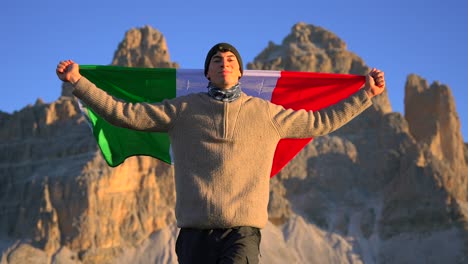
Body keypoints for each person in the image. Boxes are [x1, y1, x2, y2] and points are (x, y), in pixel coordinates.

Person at [56, 42, 385, 264]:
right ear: (208, 73)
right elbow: (124, 113)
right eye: (217, 60)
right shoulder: (182, 109)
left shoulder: (267, 113)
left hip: (241, 234)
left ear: (240, 72)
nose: (224, 63)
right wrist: (79, 83)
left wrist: (366, 94)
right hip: (193, 236)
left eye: (231, 60)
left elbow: (321, 120)